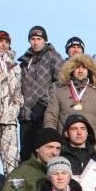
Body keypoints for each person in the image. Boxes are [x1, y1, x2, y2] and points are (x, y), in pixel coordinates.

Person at [45, 52, 96, 163]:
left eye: (84, 68)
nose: (80, 71)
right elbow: (50, 120)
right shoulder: (59, 93)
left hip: (92, 150)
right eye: (77, 68)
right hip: (64, 150)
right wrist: (51, 145)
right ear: (71, 70)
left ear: (90, 71)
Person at [18, 25, 66, 161]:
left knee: (45, 152)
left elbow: (61, 81)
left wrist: (44, 101)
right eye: (33, 38)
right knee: (26, 154)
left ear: (44, 40)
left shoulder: (53, 56)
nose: (36, 42)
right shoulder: (25, 61)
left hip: (45, 112)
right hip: (26, 115)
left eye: (39, 38)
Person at [0, 30, 23, 172]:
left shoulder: (15, 66)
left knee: (12, 161)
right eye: (0, 41)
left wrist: (16, 108)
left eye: (6, 42)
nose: (3, 44)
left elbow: (18, 91)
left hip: (9, 120)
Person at [59, 114, 96, 191]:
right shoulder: (60, 159)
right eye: (74, 129)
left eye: (83, 129)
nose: (79, 132)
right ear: (66, 133)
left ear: (87, 132)